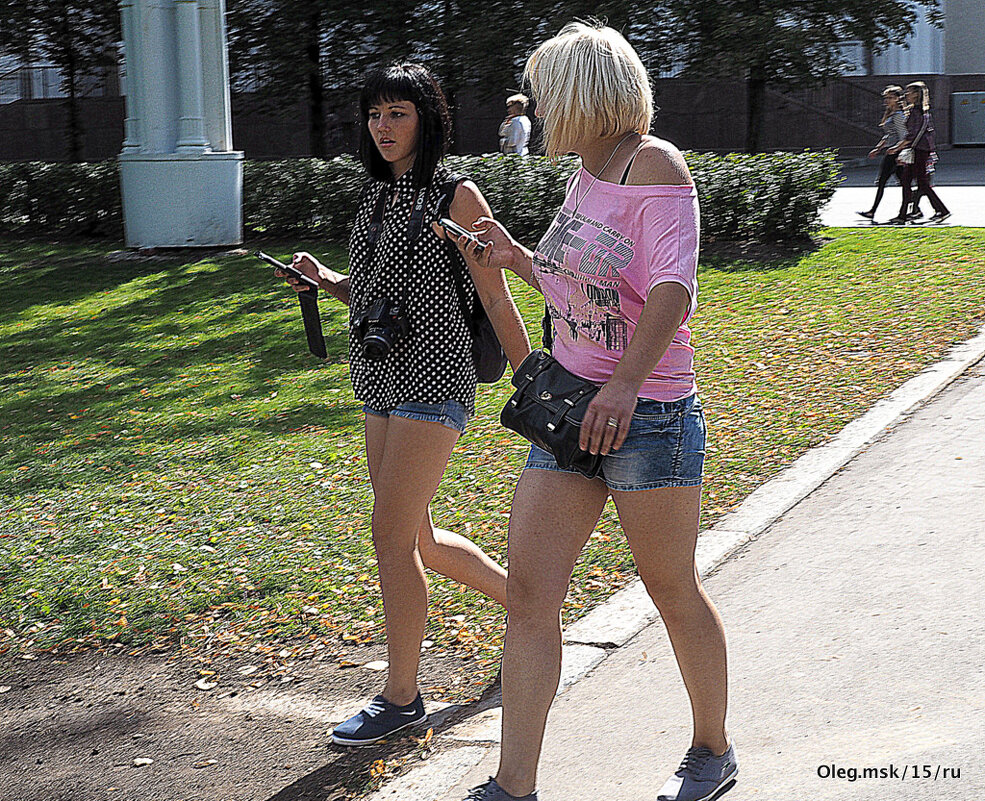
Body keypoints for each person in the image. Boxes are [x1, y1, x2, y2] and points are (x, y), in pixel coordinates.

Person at [448, 22, 734, 801]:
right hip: (569, 414)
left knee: (670, 589)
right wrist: (516, 257)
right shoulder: (587, 173)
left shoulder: (654, 165)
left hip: (648, 416)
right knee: (530, 597)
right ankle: (513, 785)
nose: (538, 108)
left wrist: (625, 384)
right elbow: (582, 288)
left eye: (545, 94)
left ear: (582, 94)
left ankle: (711, 747)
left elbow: (672, 288)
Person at [276, 62, 530, 747]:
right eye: (374, 114)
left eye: (398, 113)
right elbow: (371, 294)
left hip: (434, 381)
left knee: (389, 538)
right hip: (379, 381)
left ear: (427, 120)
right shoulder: (375, 196)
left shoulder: (456, 195)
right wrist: (322, 278)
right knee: (417, 539)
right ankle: (530, 607)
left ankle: (401, 696)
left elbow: (496, 293)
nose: (383, 127)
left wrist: (532, 378)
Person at [889, 81, 950, 225]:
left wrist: (897, 148)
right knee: (907, 181)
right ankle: (903, 215)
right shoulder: (921, 111)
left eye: (909, 92)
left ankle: (942, 211)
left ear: (916, 95)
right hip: (921, 149)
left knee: (921, 182)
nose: (906, 94)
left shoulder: (916, 112)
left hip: (919, 150)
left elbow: (912, 134)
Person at [856, 86, 907, 221]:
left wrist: (896, 149)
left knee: (882, 181)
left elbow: (903, 135)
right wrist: (878, 148)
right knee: (903, 182)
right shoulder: (891, 114)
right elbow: (889, 135)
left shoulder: (898, 116)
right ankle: (916, 206)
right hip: (892, 150)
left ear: (898, 99)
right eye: (886, 98)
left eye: (890, 98)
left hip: (895, 153)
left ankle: (873, 211)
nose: (887, 100)